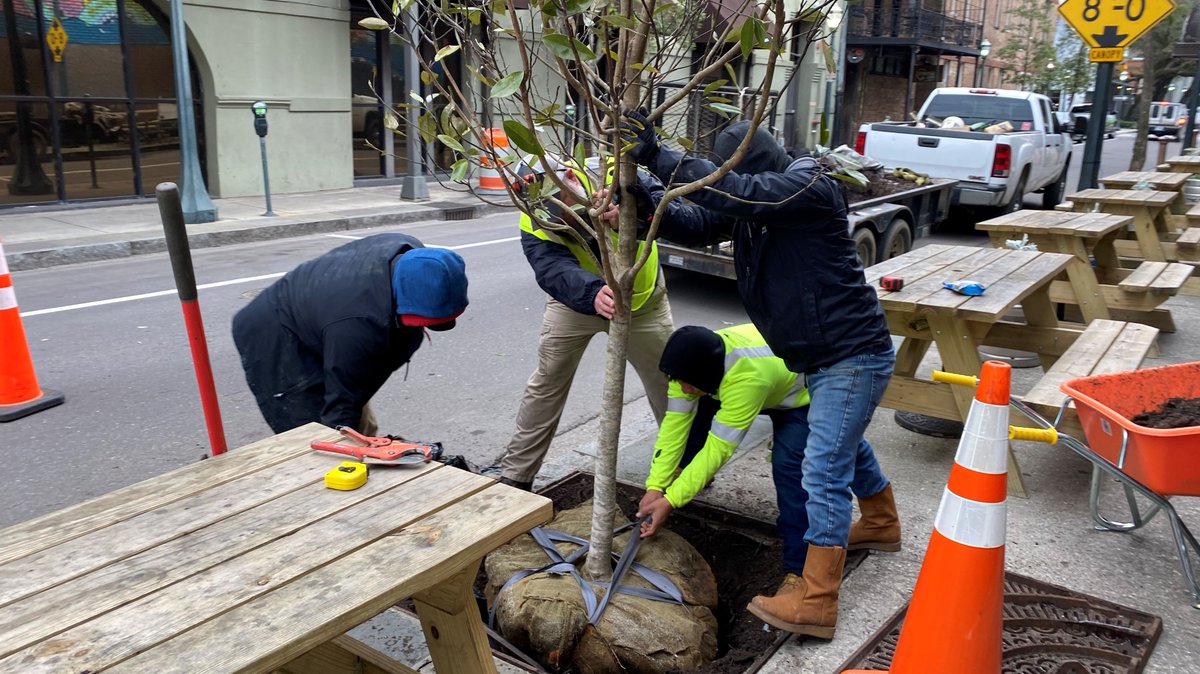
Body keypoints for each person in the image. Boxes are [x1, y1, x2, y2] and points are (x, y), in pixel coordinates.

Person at [623, 115, 900, 639]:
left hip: (851, 352)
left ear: (755, 164)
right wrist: (643, 195)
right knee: (843, 444)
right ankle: (882, 524)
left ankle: (817, 600)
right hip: (817, 357)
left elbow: (743, 194)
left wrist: (662, 157)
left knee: (821, 469)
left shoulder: (808, 184)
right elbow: (700, 221)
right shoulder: (762, 210)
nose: (731, 180)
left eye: (734, 170)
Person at [494, 160, 675, 491]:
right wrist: (590, 294)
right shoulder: (532, 214)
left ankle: (684, 466)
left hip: (641, 305)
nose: (558, 218)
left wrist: (631, 220)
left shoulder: (618, 172)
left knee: (668, 384)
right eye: (549, 214)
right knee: (547, 383)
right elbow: (549, 266)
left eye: (560, 207)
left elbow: (667, 210)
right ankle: (516, 476)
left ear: (571, 179)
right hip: (576, 301)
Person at [232, 233, 468, 435]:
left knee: (363, 427)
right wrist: (343, 448)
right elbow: (342, 405)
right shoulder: (357, 326)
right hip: (273, 335)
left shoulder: (419, 259)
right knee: (311, 434)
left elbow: (357, 381)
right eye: (420, 321)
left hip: (326, 316)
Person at [637, 324, 816, 575]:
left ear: (708, 375)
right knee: (693, 421)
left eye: (689, 384)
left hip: (798, 394)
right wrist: (655, 486)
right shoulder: (687, 368)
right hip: (744, 380)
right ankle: (681, 481)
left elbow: (718, 449)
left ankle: (799, 570)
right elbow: (673, 429)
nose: (683, 389)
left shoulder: (747, 381)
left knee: (789, 465)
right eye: (679, 382)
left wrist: (672, 500)